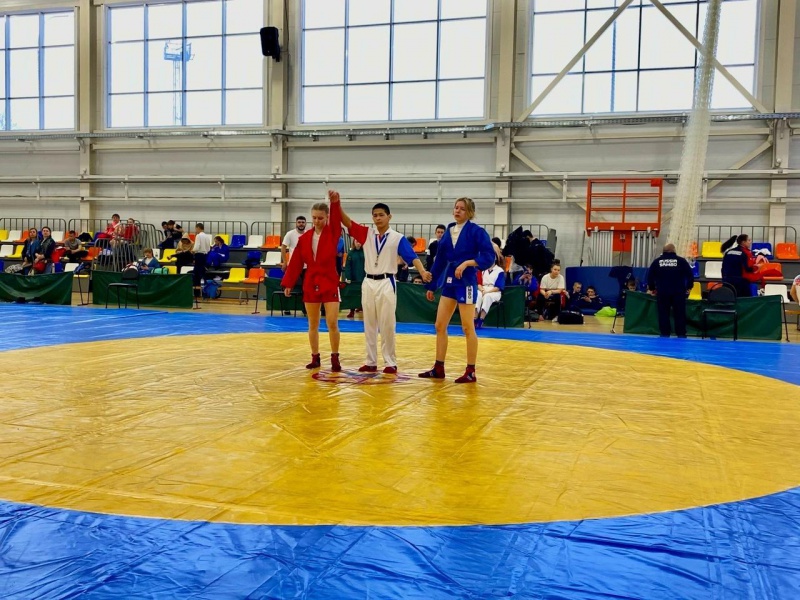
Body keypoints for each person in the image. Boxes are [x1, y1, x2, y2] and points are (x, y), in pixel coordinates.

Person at [337, 196, 432, 374]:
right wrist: (337, 204)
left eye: (381, 215)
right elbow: (348, 223)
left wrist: (422, 272)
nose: (378, 218)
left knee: (387, 323)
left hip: (387, 282)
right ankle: (371, 361)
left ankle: (390, 362)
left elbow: (412, 256)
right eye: (375, 215)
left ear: (389, 216)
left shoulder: (397, 238)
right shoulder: (367, 234)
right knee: (369, 323)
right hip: (368, 282)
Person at [419, 198, 495, 383]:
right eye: (456, 208)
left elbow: (489, 256)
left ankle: (471, 371)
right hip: (450, 282)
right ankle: (438, 367)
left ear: (470, 213)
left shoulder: (476, 231)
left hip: (466, 282)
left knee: (468, 327)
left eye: (462, 209)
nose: (457, 211)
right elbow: (440, 261)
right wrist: (432, 285)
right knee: (439, 325)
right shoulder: (448, 231)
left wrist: (468, 262)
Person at [281, 192, 343, 372]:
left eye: (320, 218)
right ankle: (315, 357)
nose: (317, 221)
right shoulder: (304, 238)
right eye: (314, 218)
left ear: (327, 217)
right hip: (311, 281)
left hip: (329, 280)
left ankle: (335, 357)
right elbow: (296, 262)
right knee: (313, 323)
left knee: (332, 322)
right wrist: (289, 283)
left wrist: (335, 203)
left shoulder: (333, 233)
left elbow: (337, 219)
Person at [647, 243, 694, 338]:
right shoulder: (681, 261)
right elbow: (690, 275)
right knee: (680, 314)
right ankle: (681, 334)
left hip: (662, 292)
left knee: (663, 314)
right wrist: (688, 287)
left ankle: (665, 334)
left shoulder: (657, 262)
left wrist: (652, 288)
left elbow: (650, 277)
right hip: (678, 292)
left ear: (663, 251)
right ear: (674, 251)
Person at [474, 258, 506, 329]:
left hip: (494, 291)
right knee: (477, 294)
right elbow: (478, 283)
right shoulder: (483, 270)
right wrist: (482, 290)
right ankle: (474, 319)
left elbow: (498, 287)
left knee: (487, 296)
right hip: (483, 288)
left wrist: (487, 292)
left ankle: (481, 320)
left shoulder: (500, 271)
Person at [344, 239, 366, 319]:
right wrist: (348, 277)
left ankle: (362, 307)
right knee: (353, 294)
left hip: (364, 277)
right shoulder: (351, 253)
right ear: (354, 242)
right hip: (353, 277)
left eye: (360, 242)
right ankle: (352, 311)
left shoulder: (365, 252)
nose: (358, 244)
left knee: (364, 294)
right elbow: (348, 266)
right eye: (357, 242)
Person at [192, 223, 213, 296]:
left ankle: (197, 293)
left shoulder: (198, 236)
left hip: (199, 255)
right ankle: (206, 293)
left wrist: (193, 251)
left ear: (198, 228)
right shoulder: (207, 236)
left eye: (196, 228)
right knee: (203, 273)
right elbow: (208, 248)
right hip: (205, 255)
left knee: (196, 275)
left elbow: (197, 246)